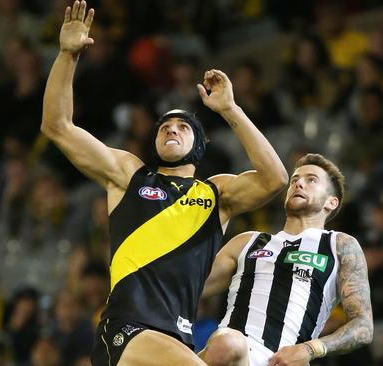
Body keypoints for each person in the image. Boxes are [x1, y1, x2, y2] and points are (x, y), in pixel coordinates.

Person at [40, 2, 289, 366]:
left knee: (233, 351)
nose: (171, 128)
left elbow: (275, 179)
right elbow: (57, 125)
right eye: (164, 126)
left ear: (199, 147)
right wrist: (66, 55)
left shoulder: (216, 194)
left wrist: (231, 110)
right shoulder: (130, 175)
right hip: (127, 331)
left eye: (183, 127)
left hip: (176, 340)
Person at [199, 154, 373, 366]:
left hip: (280, 360)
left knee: (226, 343)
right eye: (295, 179)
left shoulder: (338, 244)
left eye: (311, 180)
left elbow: (363, 326)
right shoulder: (248, 241)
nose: (299, 183)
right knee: (225, 343)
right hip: (231, 353)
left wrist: (311, 349)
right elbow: (188, 289)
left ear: (331, 202)